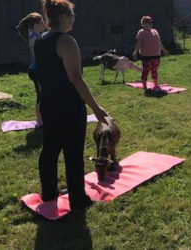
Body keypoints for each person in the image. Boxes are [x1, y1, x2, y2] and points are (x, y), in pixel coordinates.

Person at [35, 0, 108, 211]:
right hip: (69, 107)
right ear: (64, 16)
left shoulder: (40, 40)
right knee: (73, 154)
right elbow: (76, 79)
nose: (75, 18)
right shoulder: (67, 41)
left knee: (49, 149)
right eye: (73, 14)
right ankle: (77, 200)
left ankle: (49, 192)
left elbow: (42, 74)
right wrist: (96, 108)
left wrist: (41, 100)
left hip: (49, 104)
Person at [16, 12, 45, 125]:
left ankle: (42, 117)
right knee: (41, 95)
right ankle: (39, 119)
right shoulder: (34, 37)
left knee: (43, 94)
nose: (44, 24)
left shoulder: (36, 36)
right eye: (41, 22)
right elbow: (39, 55)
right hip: (37, 70)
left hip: (37, 70)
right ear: (34, 25)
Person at [132, 16, 169, 92]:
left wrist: (164, 50)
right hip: (146, 56)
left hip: (156, 55)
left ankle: (156, 85)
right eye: (148, 22)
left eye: (151, 22)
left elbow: (159, 42)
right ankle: (145, 87)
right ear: (143, 23)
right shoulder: (141, 32)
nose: (150, 24)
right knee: (145, 71)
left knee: (154, 71)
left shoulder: (155, 31)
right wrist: (135, 52)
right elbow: (139, 43)